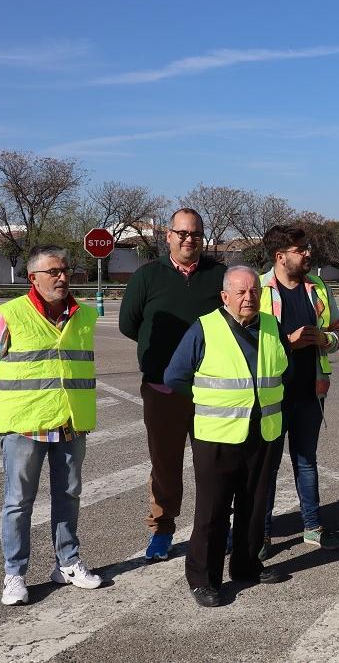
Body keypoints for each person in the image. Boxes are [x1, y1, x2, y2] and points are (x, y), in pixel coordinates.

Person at [164, 266, 292, 608]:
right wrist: (208, 406)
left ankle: (247, 565)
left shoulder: (270, 326)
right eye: (240, 292)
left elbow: (283, 369)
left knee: (254, 503)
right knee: (213, 509)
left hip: (263, 431)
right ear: (225, 296)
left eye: (254, 292)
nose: (249, 298)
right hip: (217, 435)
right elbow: (175, 377)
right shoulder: (204, 328)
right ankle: (203, 578)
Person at [0, 245, 102, 605]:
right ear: (33, 277)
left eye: (65, 270)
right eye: (53, 271)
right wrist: (21, 405)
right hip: (25, 426)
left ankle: (66, 563)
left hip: (70, 422)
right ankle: (15, 574)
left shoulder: (82, 315)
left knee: (68, 495)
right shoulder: (10, 314)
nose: (62, 277)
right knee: (18, 502)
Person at [119, 208, 227, 561]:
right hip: (163, 389)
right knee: (165, 463)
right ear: (168, 235)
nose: (188, 239)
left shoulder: (219, 276)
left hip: (211, 388)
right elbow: (129, 325)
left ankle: (215, 528)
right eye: (181, 233)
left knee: (213, 463)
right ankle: (162, 529)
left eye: (195, 233)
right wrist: (164, 355)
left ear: (203, 237)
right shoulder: (147, 277)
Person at [257, 225, 339, 556]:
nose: (308, 253)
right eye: (301, 249)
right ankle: (261, 534)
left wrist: (325, 340)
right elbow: (250, 342)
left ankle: (313, 528)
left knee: (306, 461)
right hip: (272, 395)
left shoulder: (318, 287)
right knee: (268, 464)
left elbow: (338, 332)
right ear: (281, 256)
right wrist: (287, 342)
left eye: (307, 247)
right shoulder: (261, 290)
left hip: (311, 392)